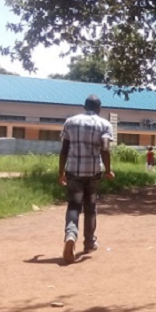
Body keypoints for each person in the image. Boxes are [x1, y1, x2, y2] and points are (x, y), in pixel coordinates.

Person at [59, 94, 115, 264]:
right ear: (99, 108)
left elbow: (64, 150)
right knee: (90, 206)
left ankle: (70, 235)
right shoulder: (104, 124)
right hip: (93, 173)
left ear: (84, 106)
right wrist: (108, 170)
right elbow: (105, 149)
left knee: (74, 205)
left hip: (73, 172)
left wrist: (60, 172)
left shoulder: (70, 122)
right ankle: (89, 242)